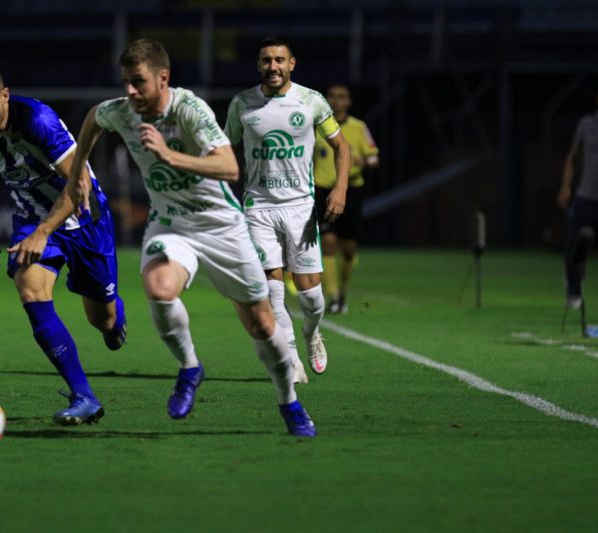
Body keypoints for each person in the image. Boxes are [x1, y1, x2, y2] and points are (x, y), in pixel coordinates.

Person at [67, 38, 316, 437]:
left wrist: (169, 155)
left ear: (163, 78)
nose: (130, 92)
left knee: (262, 325)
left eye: (138, 83)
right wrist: (78, 168)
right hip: (171, 223)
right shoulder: (123, 111)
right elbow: (95, 118)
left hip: (222, 226)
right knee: (158, 287)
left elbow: (229, 166)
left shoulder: (189, 109)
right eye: (126, 82)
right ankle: (189, 368)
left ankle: (289, 401)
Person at [0, 66, 127, 426]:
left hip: (85, 220)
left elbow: (78, 185)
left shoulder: (38, 120)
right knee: (30, 290)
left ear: (5, 96)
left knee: (103, 319)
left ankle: (114, 320)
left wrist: (45, 231)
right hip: (32, 219)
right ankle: (84, 397)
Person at [224, 36, 351, 378]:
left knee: (311, 297)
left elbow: (341, 147)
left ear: (291, 64)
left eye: (279, 60)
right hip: (259, 207)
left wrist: (339, 189)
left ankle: (311, 334)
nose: (273, 67)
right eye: (267, 60)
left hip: (300, 207)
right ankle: (291, 358)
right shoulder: (242, 104)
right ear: (258, 65)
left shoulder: (311, 101)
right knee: (272, 288)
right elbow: (225, 147)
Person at [313, 83, 379, 314]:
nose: (337, 101)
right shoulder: (317, 127)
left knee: (348, 248)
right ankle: (332, 297)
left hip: (351, 190)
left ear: (348, 101)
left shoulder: (358, 127)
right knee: (328, 243)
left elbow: (373, 157)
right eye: (333, 96)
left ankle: (342, 291)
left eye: (342, 97)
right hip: (323, 190)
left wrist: (364, 161)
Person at [557, 80, 598, 309]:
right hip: (587, 197)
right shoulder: (587, 124)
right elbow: (572, 156)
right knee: (573, 246)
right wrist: (566, 186)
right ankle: (574, 292)